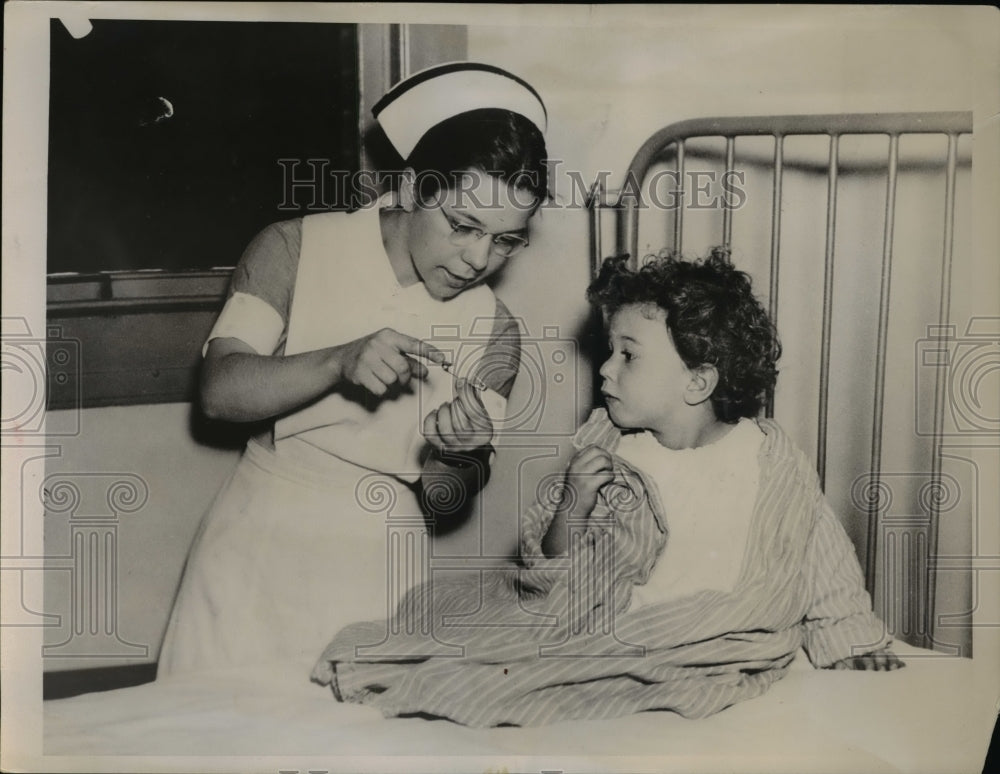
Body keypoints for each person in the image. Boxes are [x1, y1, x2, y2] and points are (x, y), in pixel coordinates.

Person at [312, 248, 903, 728]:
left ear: (697, 381)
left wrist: (849, 638)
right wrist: (574, 501)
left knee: (549, 680)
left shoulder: (772, 461)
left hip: (713, 631)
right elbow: (545, 564)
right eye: (609, 351)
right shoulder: (609, 447)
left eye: (628, 355)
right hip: (600, 615)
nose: (604, 370)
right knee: (464, 630)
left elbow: (818, 552)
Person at [157, 63, 550, 677]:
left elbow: (447, 501)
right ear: (417, 187)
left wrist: (460, 456)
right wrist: (339, 361)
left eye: (505, 240)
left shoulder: (495, 331)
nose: (478, 259)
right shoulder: (295, 247)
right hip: (258, 540)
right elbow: (218, 392)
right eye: (463, 226)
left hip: (381, 561)